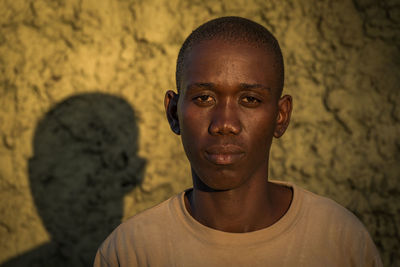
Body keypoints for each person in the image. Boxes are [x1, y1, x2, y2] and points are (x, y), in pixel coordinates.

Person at [94, 16, 382, 267]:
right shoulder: (132, 251)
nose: (225, 124)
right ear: (173, 113)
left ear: (281, 116)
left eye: (250, 100)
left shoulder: (340, 240)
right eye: (204, 98)